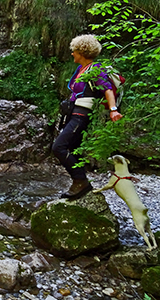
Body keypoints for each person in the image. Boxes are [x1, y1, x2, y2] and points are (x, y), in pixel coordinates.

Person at [52, 34, 123, 199]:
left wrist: (113, 109)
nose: (72, 54)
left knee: (59, 147)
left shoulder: (95, 69)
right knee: (73, 150)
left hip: (81, 116)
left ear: (81, 52)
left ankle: (80, 181)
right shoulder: (80, 69)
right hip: (73, 113)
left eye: (74, 51)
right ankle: (80, 186)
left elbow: (107, 89)